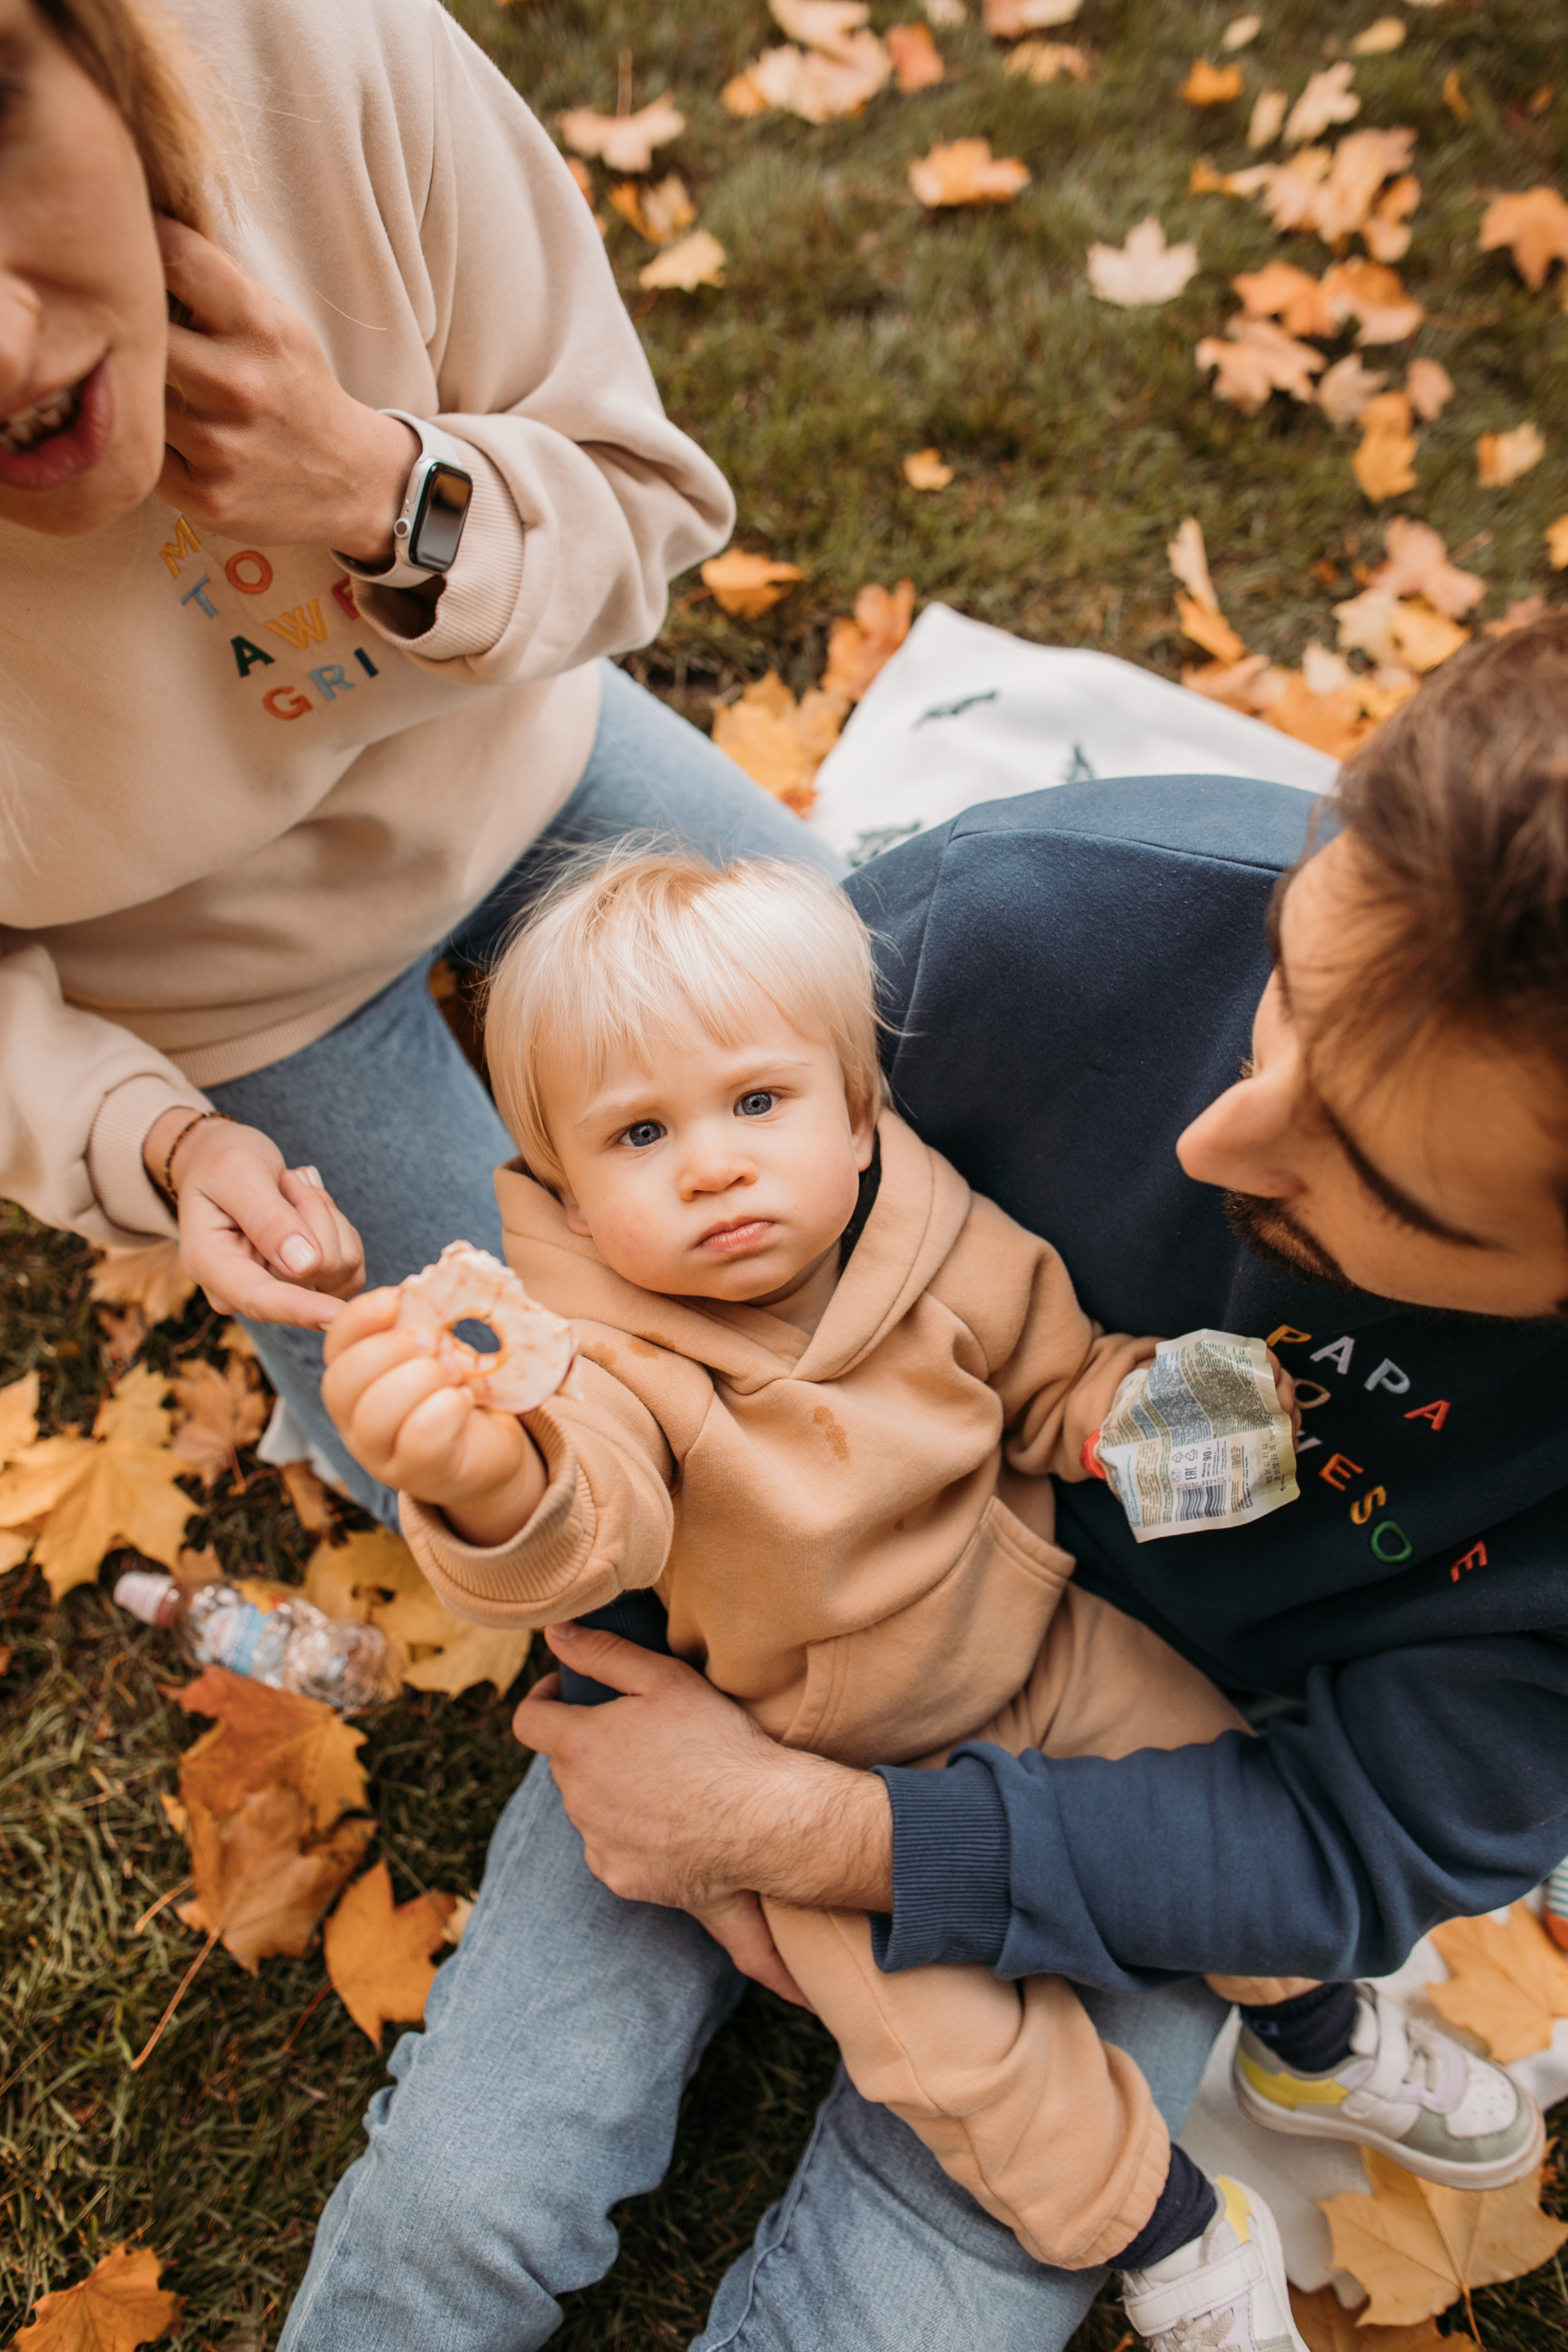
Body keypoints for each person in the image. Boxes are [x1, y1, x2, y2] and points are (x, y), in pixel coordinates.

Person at [281, 617, 1568, 2352]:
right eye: (1287, 990)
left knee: (915, 2290)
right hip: (743, 1684)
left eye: (1382, 1183)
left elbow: (1332, 1845)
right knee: (467, 2199)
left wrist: (825, 1836)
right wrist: (496, 1491)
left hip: (1151, 1749)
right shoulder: (1024, 926)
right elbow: (602, 1450)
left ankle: (1267, 2102)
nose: (1220, 1140)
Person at [0, 0, 832, 1507]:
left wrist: (380, 485)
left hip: (525, 757)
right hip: (230, 1001)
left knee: (926, 1083)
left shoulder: (310, 40)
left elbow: (637, 500)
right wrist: (160, 1142)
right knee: (542, 1472)